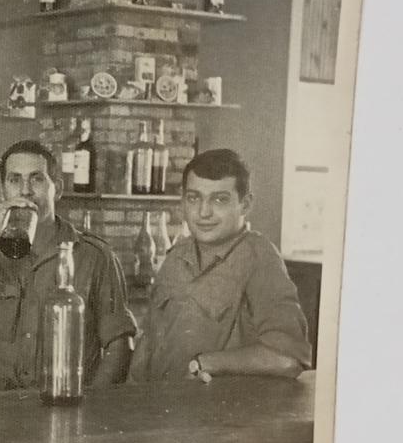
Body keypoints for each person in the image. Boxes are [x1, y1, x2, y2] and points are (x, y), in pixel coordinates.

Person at [0, 139, 137, 392]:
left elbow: (120, 344)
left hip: (60, 401)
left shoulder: (94, 257)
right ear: (2, 191)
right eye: (14, 180)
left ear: (58, 189)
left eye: (37, 179)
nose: (25, 191)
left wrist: (92, 406)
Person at [127, 148, 310, 382]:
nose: (203, 212)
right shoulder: (177, 255)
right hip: (159, 409)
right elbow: (148, 344)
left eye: (219, 200)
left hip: (221, 414)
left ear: (245, 205)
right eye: (194, 198)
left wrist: (207, 363)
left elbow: (288, 360)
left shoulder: (259, 258)